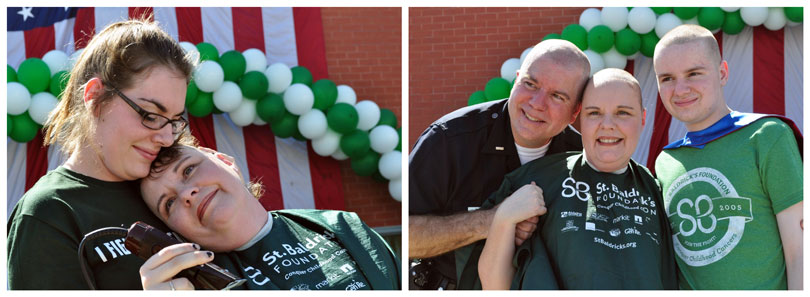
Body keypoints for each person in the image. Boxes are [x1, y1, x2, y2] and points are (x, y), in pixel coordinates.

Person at [7, 19, 195, 289]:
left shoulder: (171, 186)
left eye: (174, 120)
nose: (166, 138)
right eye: (151, 115)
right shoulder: (50, 212)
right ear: (95, 97)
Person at [408, 39, 590, 289]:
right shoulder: (449, 139)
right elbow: (407, 236)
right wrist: (494, 220)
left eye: (557, 96)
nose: (536, 103)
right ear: (515, 80)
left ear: (575, 112)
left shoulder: (583, 158)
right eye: (530, 84)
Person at [476, 68, 677, 289]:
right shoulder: (538, 181)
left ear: (643, 119)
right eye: (594, 113)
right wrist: (504, 218)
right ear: (580, 118)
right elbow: (495, 286)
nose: (608, 124)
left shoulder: (659, 189)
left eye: (623, 113)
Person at [652, 24, 803, 290]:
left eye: (694, 73)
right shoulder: (665, 162)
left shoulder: (768, 136)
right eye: (667, 78)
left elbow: (800, 251)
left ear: (722, 73)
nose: (680, 89)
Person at [136, 142, 401, 290]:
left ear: (226, 161)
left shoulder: (342, 226)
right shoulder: (194, 286)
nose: (186, 194)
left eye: (189, 170)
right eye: (169, 203)